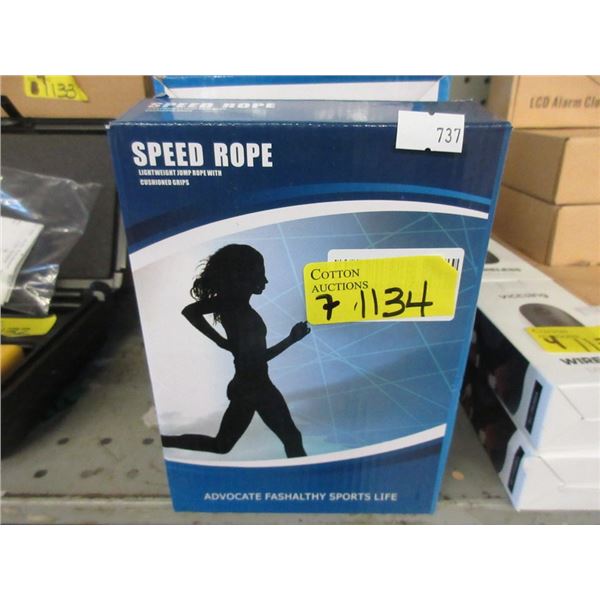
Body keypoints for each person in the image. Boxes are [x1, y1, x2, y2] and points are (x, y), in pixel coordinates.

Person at [161, 244, 311, 458]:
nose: (265, 280)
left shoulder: (238, 307)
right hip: (255, 387)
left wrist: (290, 339)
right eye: (260, 273)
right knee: (291, 438)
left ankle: (163, 441)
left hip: (249, 384)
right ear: (243, 274)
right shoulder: (233, 305)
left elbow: (257, 358)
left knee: (222, 445)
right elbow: (190, 311)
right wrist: (221, 341)